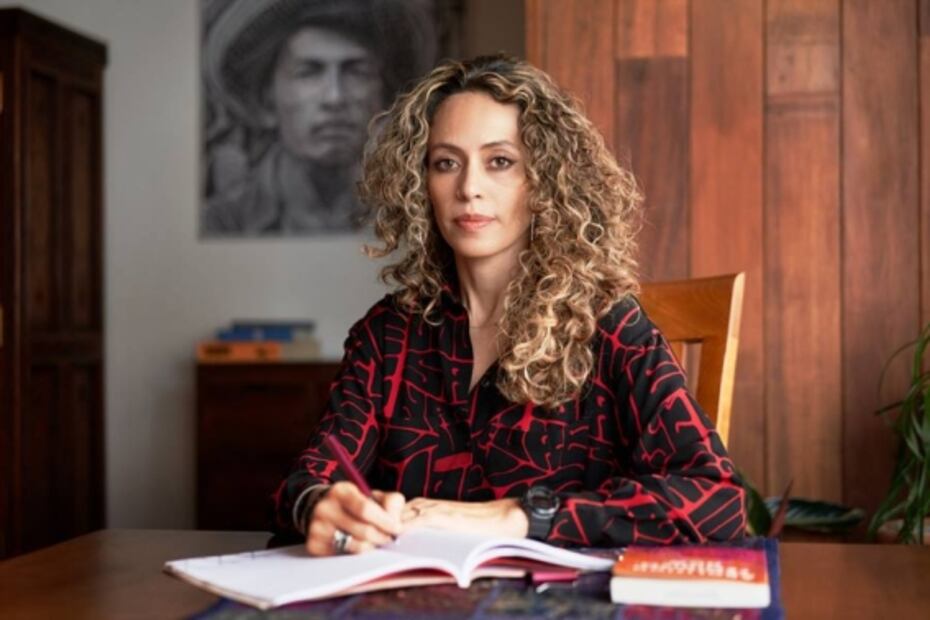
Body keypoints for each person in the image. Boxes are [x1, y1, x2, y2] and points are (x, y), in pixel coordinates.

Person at [272, 55, 746, 555]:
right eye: (446, 163)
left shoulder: (608, 326)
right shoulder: (388, 335)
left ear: (545, 179)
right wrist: (319, 507)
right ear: (420, 184)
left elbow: (717, 501)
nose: (469, 188)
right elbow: (307, 482)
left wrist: (521, 516)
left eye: (499, 161)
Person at [201, 0, 436, 235]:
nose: (334, 98)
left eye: (357, 72)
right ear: (268, 97)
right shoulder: (222, 223)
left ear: (383, 95)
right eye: (308, 72)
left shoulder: (412, 217)